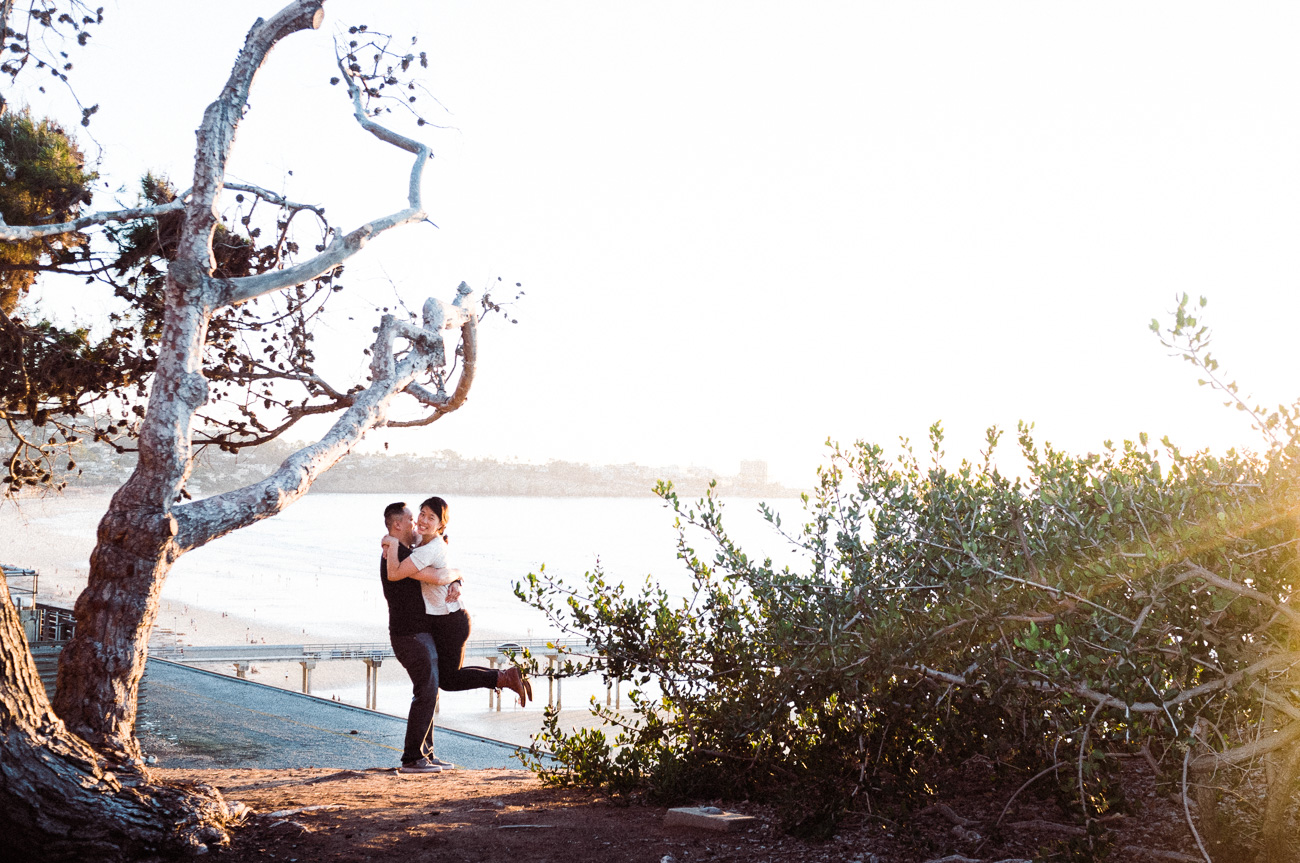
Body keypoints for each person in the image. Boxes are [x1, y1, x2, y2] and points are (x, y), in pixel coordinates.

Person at [382, 496, 529, 707]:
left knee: (449, 680)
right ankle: (506, 676)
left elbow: (396, 574)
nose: (422, 521)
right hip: (444, 621)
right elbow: (402, 534)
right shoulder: (422, 539)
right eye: (421, 514)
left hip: (451, 622)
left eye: (430, 517)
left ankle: (506, 677)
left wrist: (392, 543)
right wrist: (388, 540)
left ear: (441, 525)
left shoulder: (430, 548)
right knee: (448, 677)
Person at [379, 501, 459, 775]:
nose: (416, 523)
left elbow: (438, 568)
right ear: (397, 524)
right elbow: (435, 576)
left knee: (430, 691)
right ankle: (413, 758)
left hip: (418, 632)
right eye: (412, 518)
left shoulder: (402, 547)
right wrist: (455, 575)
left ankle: (426, 754)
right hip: (409, 634)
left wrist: (456, 579)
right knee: (426, 691)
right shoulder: (395, 552)